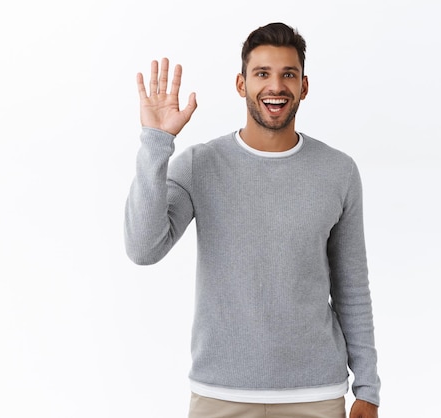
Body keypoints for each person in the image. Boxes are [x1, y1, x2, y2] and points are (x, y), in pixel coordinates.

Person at [124, 23, 380, 418]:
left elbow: (352, 287)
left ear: (304, 86)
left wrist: (368, 387)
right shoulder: (199, 165)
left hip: (315, 395)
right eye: (262, 74)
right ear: (241, 84)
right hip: (219, 394)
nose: (275, 86)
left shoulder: (338, 172)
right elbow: (143, 248)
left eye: (288, 75)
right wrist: (157, 142)